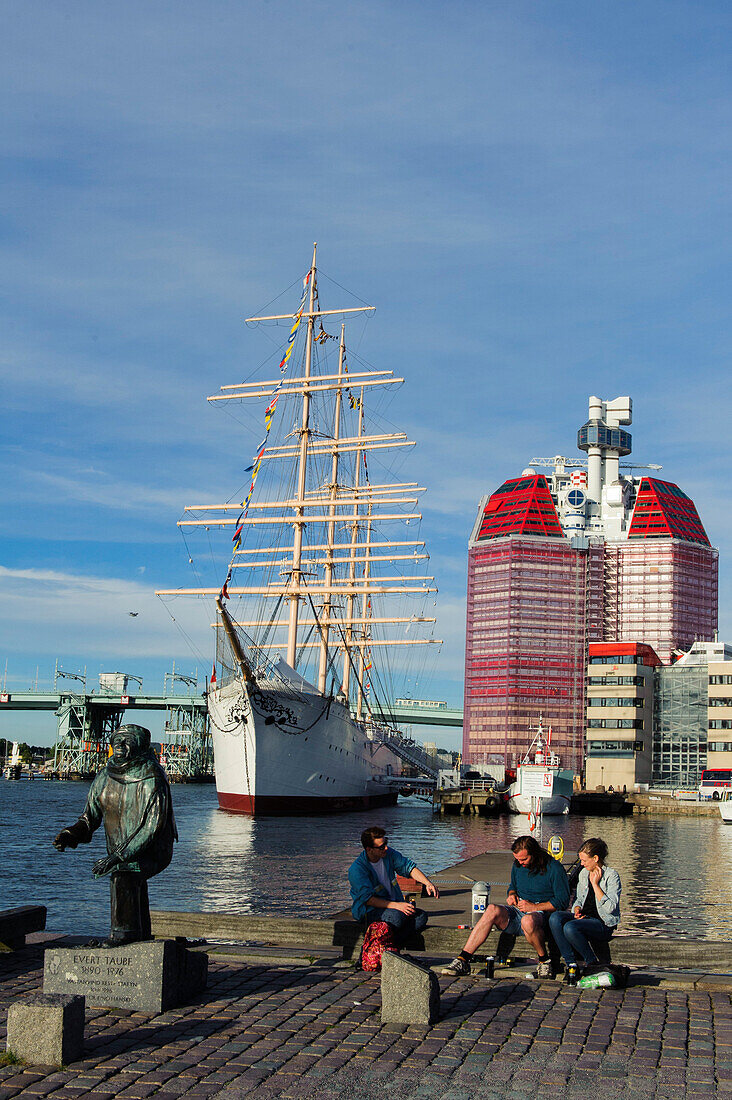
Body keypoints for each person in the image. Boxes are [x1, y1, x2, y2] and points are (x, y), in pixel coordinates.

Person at [53, 724, 177, 945]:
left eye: (127, 740)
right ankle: (140, 934)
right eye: (117, 740)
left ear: (140, 745)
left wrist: (116, 857)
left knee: (124, 874)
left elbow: (152, 827)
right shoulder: (104, 776)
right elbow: (89, 818)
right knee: (129, 877)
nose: (120, 744)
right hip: (121, 852)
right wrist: (72, 834)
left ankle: (122, 938)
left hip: (153, 851)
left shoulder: (152, 776)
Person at [441, 834, 570, 978]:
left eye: (524, 859)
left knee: (528, 921)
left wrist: (533, 907)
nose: (520, 862)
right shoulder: (518, 865)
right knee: (491, 909)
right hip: (518, 910)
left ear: (535, 853)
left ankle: (544, 961)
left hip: (541, 915)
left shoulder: (554, 868)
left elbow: (562, 901)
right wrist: (512, 894)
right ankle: (463, 959)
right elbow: (513, 886)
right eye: (517, 859)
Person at [348, 826, 439, 942]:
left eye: (386, 843)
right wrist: (397, 906)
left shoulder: (388, 854)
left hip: (394, 907)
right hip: (369, 911)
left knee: (421, 916)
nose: (386, 848)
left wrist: (427, 883)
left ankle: (388, 947)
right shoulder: (357, 870)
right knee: (397, 917)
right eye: (381, 847)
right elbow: (369, 900)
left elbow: (408, 867)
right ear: (369, 849)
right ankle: (382, 949)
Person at [548, 837, 620, 973]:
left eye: (584, 860)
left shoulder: (611, 876)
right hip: (585, 918)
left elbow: (611, 908)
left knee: (570, 927)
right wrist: (576, 908)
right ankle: (571, 964)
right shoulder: (583, 873)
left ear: (596, 858)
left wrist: (595, 884)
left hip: (602, 922)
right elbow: (579, 899)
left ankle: (592, 962)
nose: (581, 864)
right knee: (555, 918)